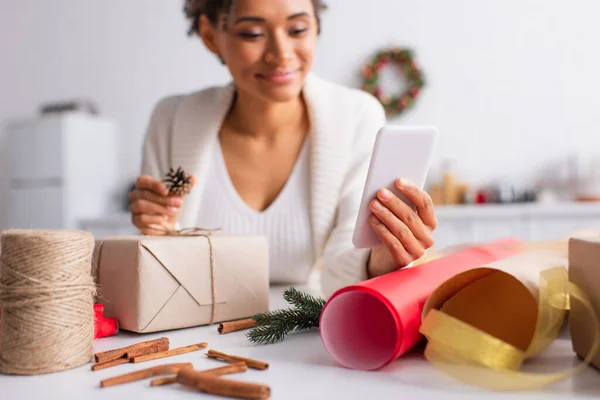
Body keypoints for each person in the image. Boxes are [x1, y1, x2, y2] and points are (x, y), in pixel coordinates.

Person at [128, 0, 438, 298]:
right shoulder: (172, 120)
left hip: (308, 333)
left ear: (316, 26)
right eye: (253, 34)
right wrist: (158, 233)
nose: (281, 54)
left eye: (298, 29)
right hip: (189, 332)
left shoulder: (357, 116)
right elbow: (160, 270)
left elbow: (344, 259)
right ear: (211, 35)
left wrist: (380, 259)